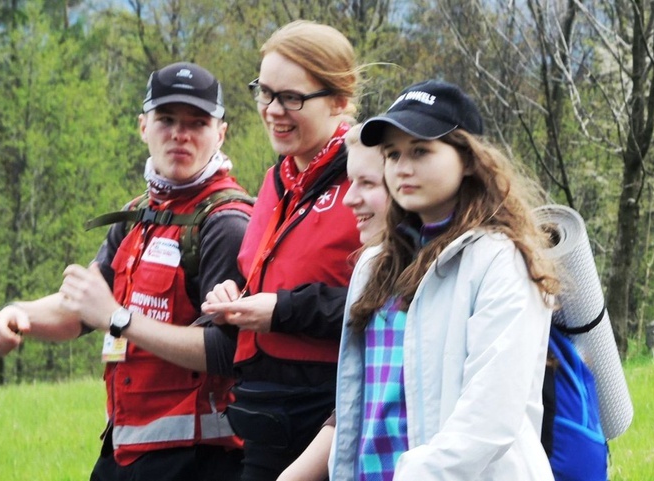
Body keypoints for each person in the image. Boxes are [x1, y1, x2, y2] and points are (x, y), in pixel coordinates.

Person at [0, 62, 252, 481]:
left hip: (198, 461)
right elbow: (83, 310)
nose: (179, 134)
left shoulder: (226, 223)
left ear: (220, 133)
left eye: (197, 122)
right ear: (142, 126)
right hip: (124, 451)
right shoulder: (136, 215)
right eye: (166, 120)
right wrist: (20, 314)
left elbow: (226, 352)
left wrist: (118, 319)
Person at [329, 80, 560, 480]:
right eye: (392, 154)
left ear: (468, 159)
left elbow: (490, 416)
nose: (402, 167)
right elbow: (356, 405)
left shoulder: (499, 259)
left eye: (420, 151)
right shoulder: (374, 266)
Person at [201, 20, 362, 481]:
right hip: (263, 412)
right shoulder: (277, 180)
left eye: (292, 98)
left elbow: (391, 302)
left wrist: (282, 310)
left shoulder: (368, 179)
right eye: (264, 92)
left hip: (328, 410)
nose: (273, 110)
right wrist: (235, 293)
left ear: (340, 100)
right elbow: (266, 272)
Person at [276, 123, 389, 481]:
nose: (349, 198)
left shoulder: (464, 275)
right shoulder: (374, 271)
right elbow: (358, 402)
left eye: (367, 183)